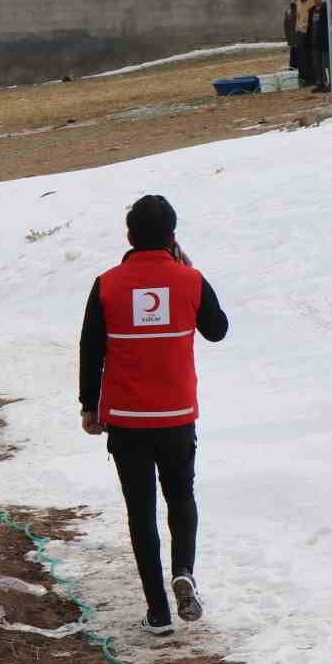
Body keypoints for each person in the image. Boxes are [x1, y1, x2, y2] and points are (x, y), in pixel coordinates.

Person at [79, 195, 229, 636]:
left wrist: (90, 405)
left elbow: (91, 350)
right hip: (177, 414)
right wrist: (188, 269)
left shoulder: (106, 284)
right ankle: (183, 569)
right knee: (181, 496)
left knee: (140, 510)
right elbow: (217, 330)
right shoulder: (190, 280)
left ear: (129, 236)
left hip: (126, 418)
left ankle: (158, 610)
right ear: (172, 235)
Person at [284, 0, 312, 84]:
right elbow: (287, 27)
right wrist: (290, 40)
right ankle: (293, 75)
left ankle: (302, 76)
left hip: (301, 37)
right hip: (294, 39)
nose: (296, 1)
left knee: (302, 58)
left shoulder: (302, 7)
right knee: (294, 60)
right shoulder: (289, 11)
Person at [306, 0, 332, 94]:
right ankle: (320, 83)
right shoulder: (312, 10)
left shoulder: (327, 8)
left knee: (327, 63)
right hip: (315, 41)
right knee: (317, 64)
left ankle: (331, 84)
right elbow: (310, 26)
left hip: (325, 41)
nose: (316, 0)